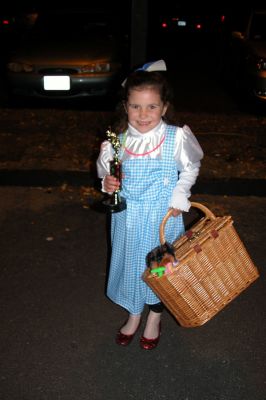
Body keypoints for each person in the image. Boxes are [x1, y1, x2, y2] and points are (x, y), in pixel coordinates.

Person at [96, 60, 203, 350]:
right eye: (135, 106)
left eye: (152, 107)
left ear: (164, 107)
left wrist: (181, 192)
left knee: (160, 268)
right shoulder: (117, 142)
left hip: (161, 219)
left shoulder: (175, 137)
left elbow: (191, 166)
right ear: (125, 107)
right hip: (128, 219)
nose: (143, 115)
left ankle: (154, 315)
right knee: (132, 266)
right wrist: (107, 183)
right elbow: (106, 172)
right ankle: (134, 313)